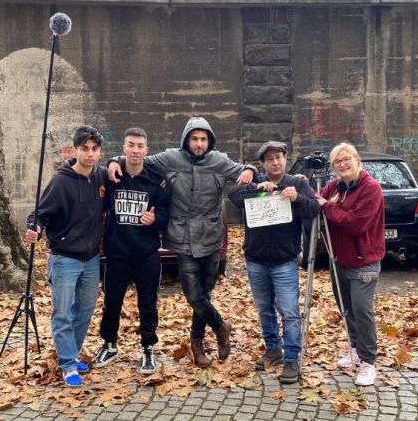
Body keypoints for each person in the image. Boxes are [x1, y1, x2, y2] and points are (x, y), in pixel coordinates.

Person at [108, 116, 256, 368]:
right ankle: (221, 325)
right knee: (193, 295)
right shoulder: (170, 158)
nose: (198, 144)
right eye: (194, 139)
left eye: (203, 139)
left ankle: (197, 344)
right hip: (183, 236)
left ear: (209, 141)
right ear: (186, 140)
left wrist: (250, 169)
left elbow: (242, 170)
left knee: (205, 293)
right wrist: (114, 160)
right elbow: (139, 159)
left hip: (211, 237)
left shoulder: (219, 160)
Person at [227, 141, 319, 383]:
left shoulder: (297, 183)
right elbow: (232, 194)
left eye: (279, 157)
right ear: (263, 164)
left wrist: (297, 198)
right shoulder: (256, 183)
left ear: (285, 159)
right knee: (264, 308)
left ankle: (291, 358)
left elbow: (314, 209)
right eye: (269, 159)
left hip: (284, 261)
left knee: (289, 311)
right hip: (255, 259)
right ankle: (273, 349)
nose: (275, 162)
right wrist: (257, 186)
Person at [25, 126, 108, 388]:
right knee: (62, 313)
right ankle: (68, 364)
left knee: (84, 310)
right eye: (85, 149)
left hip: (92, 258)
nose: (90, 154)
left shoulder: (102, 177)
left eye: (95, 149)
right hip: (65, 258)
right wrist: (35, 227)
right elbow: (40, 213)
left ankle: (71, 354)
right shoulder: (61, 181)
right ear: (76, 150)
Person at [93, 127, 169, 375]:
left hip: (146, 254)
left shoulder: (156, 179)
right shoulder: (111, 176)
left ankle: (148, 347)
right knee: (111, 302)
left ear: (146, 150)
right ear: (123, 148)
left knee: (148, 304)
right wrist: (111, 162)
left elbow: (166, 215)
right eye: (131, 145)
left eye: (140, 146)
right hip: (117, 253)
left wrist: (154, 222)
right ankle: (110, 343)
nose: (135, 150)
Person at [315, 142, 385, 386]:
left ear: (357, 160)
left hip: (363, 262)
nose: (342, 165)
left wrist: (327, 206)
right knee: (347, 309)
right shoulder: (337, 186)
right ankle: (355, 348)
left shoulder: (370, 188)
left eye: (346, 159)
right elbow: (317, 197)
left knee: (362, 311)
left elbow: (356, 223)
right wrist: (304, 184)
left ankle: (368, 362)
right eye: (337, 162)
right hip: (340, 261)